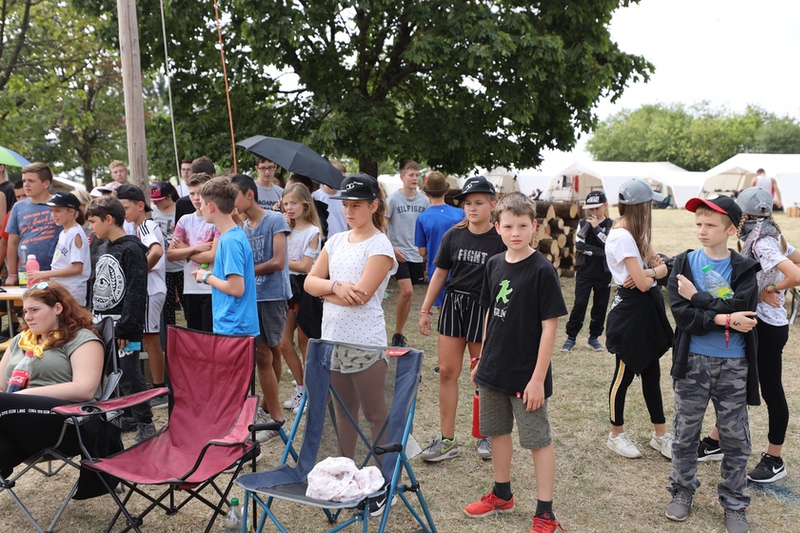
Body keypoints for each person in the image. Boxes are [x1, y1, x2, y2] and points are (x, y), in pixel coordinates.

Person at [465, 192, 567, 533]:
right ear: (497, 227)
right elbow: (490, 313)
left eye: (523, 226)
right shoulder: (494, 264)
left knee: (538, 440)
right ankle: (502, 494)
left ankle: (545, 512)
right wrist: (481, 358)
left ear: (534, 226)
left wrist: (537, 379)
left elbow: (550, 327)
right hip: (494, 368)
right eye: (508, 226)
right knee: (497, 432)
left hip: (527, 375)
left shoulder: (542, 270)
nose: (515, 233)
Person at [665, 195, 759, 533]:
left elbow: (744, 308)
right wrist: (724, 319)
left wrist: (697, 297)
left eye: (710, 225)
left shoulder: (744, 268)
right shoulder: (684, 263)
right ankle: (681, 490)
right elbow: (682, 314)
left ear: (731, 229)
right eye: (698, 224)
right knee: (685, 433)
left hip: (734, 366)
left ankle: (734, 503)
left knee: (735, 439)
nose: (701, 230)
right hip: (692, 361)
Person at [698, 186, 800, 485]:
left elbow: (796, 274)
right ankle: (715, 441)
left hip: (766, 326)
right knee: (739, 383)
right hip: (762, 323)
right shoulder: (771, 234)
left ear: (742, 216)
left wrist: (770, 289)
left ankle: (774, 459)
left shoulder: (761, 242)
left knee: (770, 389)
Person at [304, 173, 397, 458]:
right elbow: (309, 283)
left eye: (356, 205)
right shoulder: (335, 241)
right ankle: (346, 469)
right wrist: (335, 287)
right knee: (344, 412)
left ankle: (384, 475)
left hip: (364, 342)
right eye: (345, 205)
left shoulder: (379, 245)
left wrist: (324, 292)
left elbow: (361, 296)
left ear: (373, 206)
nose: (349, 211)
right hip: (332, 339)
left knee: (374, 414)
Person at [418, 176, 504, 462]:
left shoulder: (501, 239)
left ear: (493, 205)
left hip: (485, 308)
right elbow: (439, 274)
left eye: (479, 202)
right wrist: (425, 309)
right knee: (446, 372)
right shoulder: (453, 235)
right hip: (454, 305)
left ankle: (485, 435)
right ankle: (447, 440)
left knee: (482, 376)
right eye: (467, 203)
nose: (472, 208)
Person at [0, 281, 105, 479]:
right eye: (25, 311)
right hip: (15, 422)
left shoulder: (81, 338)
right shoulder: (21, 340)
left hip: (65, 422)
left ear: (57, 308)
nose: (27, 317)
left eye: (34, 310)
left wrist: (25, 395)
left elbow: (85, 389)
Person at [604, 178, 674, 459]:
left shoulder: (634, 232)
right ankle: (616, 435)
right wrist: (652, 274)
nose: (651, 209)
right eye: (649, 204)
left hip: (644, 310)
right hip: (630, 313)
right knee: (623, 376)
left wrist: (650, 272)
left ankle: (661, 435)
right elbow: (643, 283)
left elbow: (660, 267)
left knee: (651, 374)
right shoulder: (622, 236)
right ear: (640, 206)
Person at [86, 195, 155, 443]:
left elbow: (136, 291)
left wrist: (127, 328)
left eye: (93, 221)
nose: (90, 227)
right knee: (108, 372)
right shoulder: (102, 247)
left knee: (128, 374)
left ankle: (146, 422)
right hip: (102, 324)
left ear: (108, 219)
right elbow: (95, 284)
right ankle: (126, 415)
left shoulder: (132, 249)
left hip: (125, 327)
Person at [231, 174, 291, 442]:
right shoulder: (242, 226)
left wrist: (246, 271)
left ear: (249, 194)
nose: (231, 203)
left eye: (234, 196)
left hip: (273, 295)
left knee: (272, 350)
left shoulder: (275, 219)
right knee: (263, 353)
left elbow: (278, 261)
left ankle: (270, 409)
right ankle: (270, 409)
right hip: (252, 297)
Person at [117, 184, 168, 409]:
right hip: (149, 289)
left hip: (150, 289)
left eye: (126, 207)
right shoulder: (139, 226)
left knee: (151, 340)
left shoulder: (146, 225)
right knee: (145, 338)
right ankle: (150, 386)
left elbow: (156, 251)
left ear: (140, 206)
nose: (123, 212)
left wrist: (138, 273)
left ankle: (159, 389)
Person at [191, 178, 259, 337]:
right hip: (234, 326)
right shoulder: (231, 236)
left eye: (202, 203)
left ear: (211, 206)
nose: (200, 207)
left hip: (234, 327)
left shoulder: (230, 241)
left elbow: (236, 288)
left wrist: (206, 277)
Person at [279, 182, 323, 413]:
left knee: (306, 344)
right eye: (286, 203)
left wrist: (281, 261)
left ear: (305, 205)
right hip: (285, 288)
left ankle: (311, 393)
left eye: (293, 203)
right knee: (284, 343)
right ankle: (300, 387)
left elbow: (306, 266)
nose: (289, 208)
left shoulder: (313, 232)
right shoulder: (282, 228)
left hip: (305, 289)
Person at [562, 191, 614, 352]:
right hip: (585, 270)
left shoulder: (611, 224)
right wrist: (600, 252)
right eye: (591, 209)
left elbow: (610, 245)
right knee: (580, 304)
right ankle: (571, 337)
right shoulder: (583, 223)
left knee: (600, 305)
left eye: (597, 208)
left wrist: (596, 228)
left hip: (603, 271)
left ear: (605, 206)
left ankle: (594, 337)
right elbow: (579, 245)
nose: (594, 212)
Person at [386, 160, 430, 347]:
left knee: (409, 295)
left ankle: (399, 333)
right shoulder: (393, 199)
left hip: (416, 253)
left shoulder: (424, 201)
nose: (414, 178)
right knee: (407, 291)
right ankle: (397, 333)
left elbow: (427, 226)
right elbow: (382, 226)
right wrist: (391, 248)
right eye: (411, 175)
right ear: (402, 177)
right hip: (399, 253)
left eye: (417, 175)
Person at [168, 172, 219, 332]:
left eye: (200, 193)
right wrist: (194, 248)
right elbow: (171, 255)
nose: (196, 198)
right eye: (192, 193)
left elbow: (211, 256)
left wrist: (184, 249)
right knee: (194, 334)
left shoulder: (216, 221)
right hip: (190, 287)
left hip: (211, 287)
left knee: (209, 334)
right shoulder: (184, 220)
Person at [24, 192, 91, 307]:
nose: (53, 215)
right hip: (61, 291)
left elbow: (77, 268)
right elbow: (62, 264)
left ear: (71, 211)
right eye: (51, 211)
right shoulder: (64, 232)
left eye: (58, 211)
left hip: (72, 294)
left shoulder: (76, 234)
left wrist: (45, 274)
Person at [5, 162, 62, 286]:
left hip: (55, 272)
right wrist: (12, 275)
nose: (26, 185)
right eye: (24, 181)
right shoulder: (18, 207)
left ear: (46, 184)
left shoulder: (59, 204)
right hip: (26, 272)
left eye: (31, 181)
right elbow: (12, 242)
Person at [414, 171, 464, 309]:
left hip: (436, 271)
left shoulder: (422, 218)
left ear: (426, 193)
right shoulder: (460, 214)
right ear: (446, 191)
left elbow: (422, 251)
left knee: (443, 313)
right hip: (460, 269)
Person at [150, 181, 184, 329]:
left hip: (182, 266)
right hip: (164, 268)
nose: (156, 204)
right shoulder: (152, 213)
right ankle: (170, 339)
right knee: (167, 308)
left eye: (159, 200)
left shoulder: (181, 210)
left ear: (169, 196)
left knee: (187, 304)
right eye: (154, 201)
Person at [312, 159, 348, 238]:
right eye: (339, 176)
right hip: (324, 240)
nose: (342, 179)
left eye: (344, 177)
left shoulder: (345, 196)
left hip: (343, 240)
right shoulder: (316, 197)